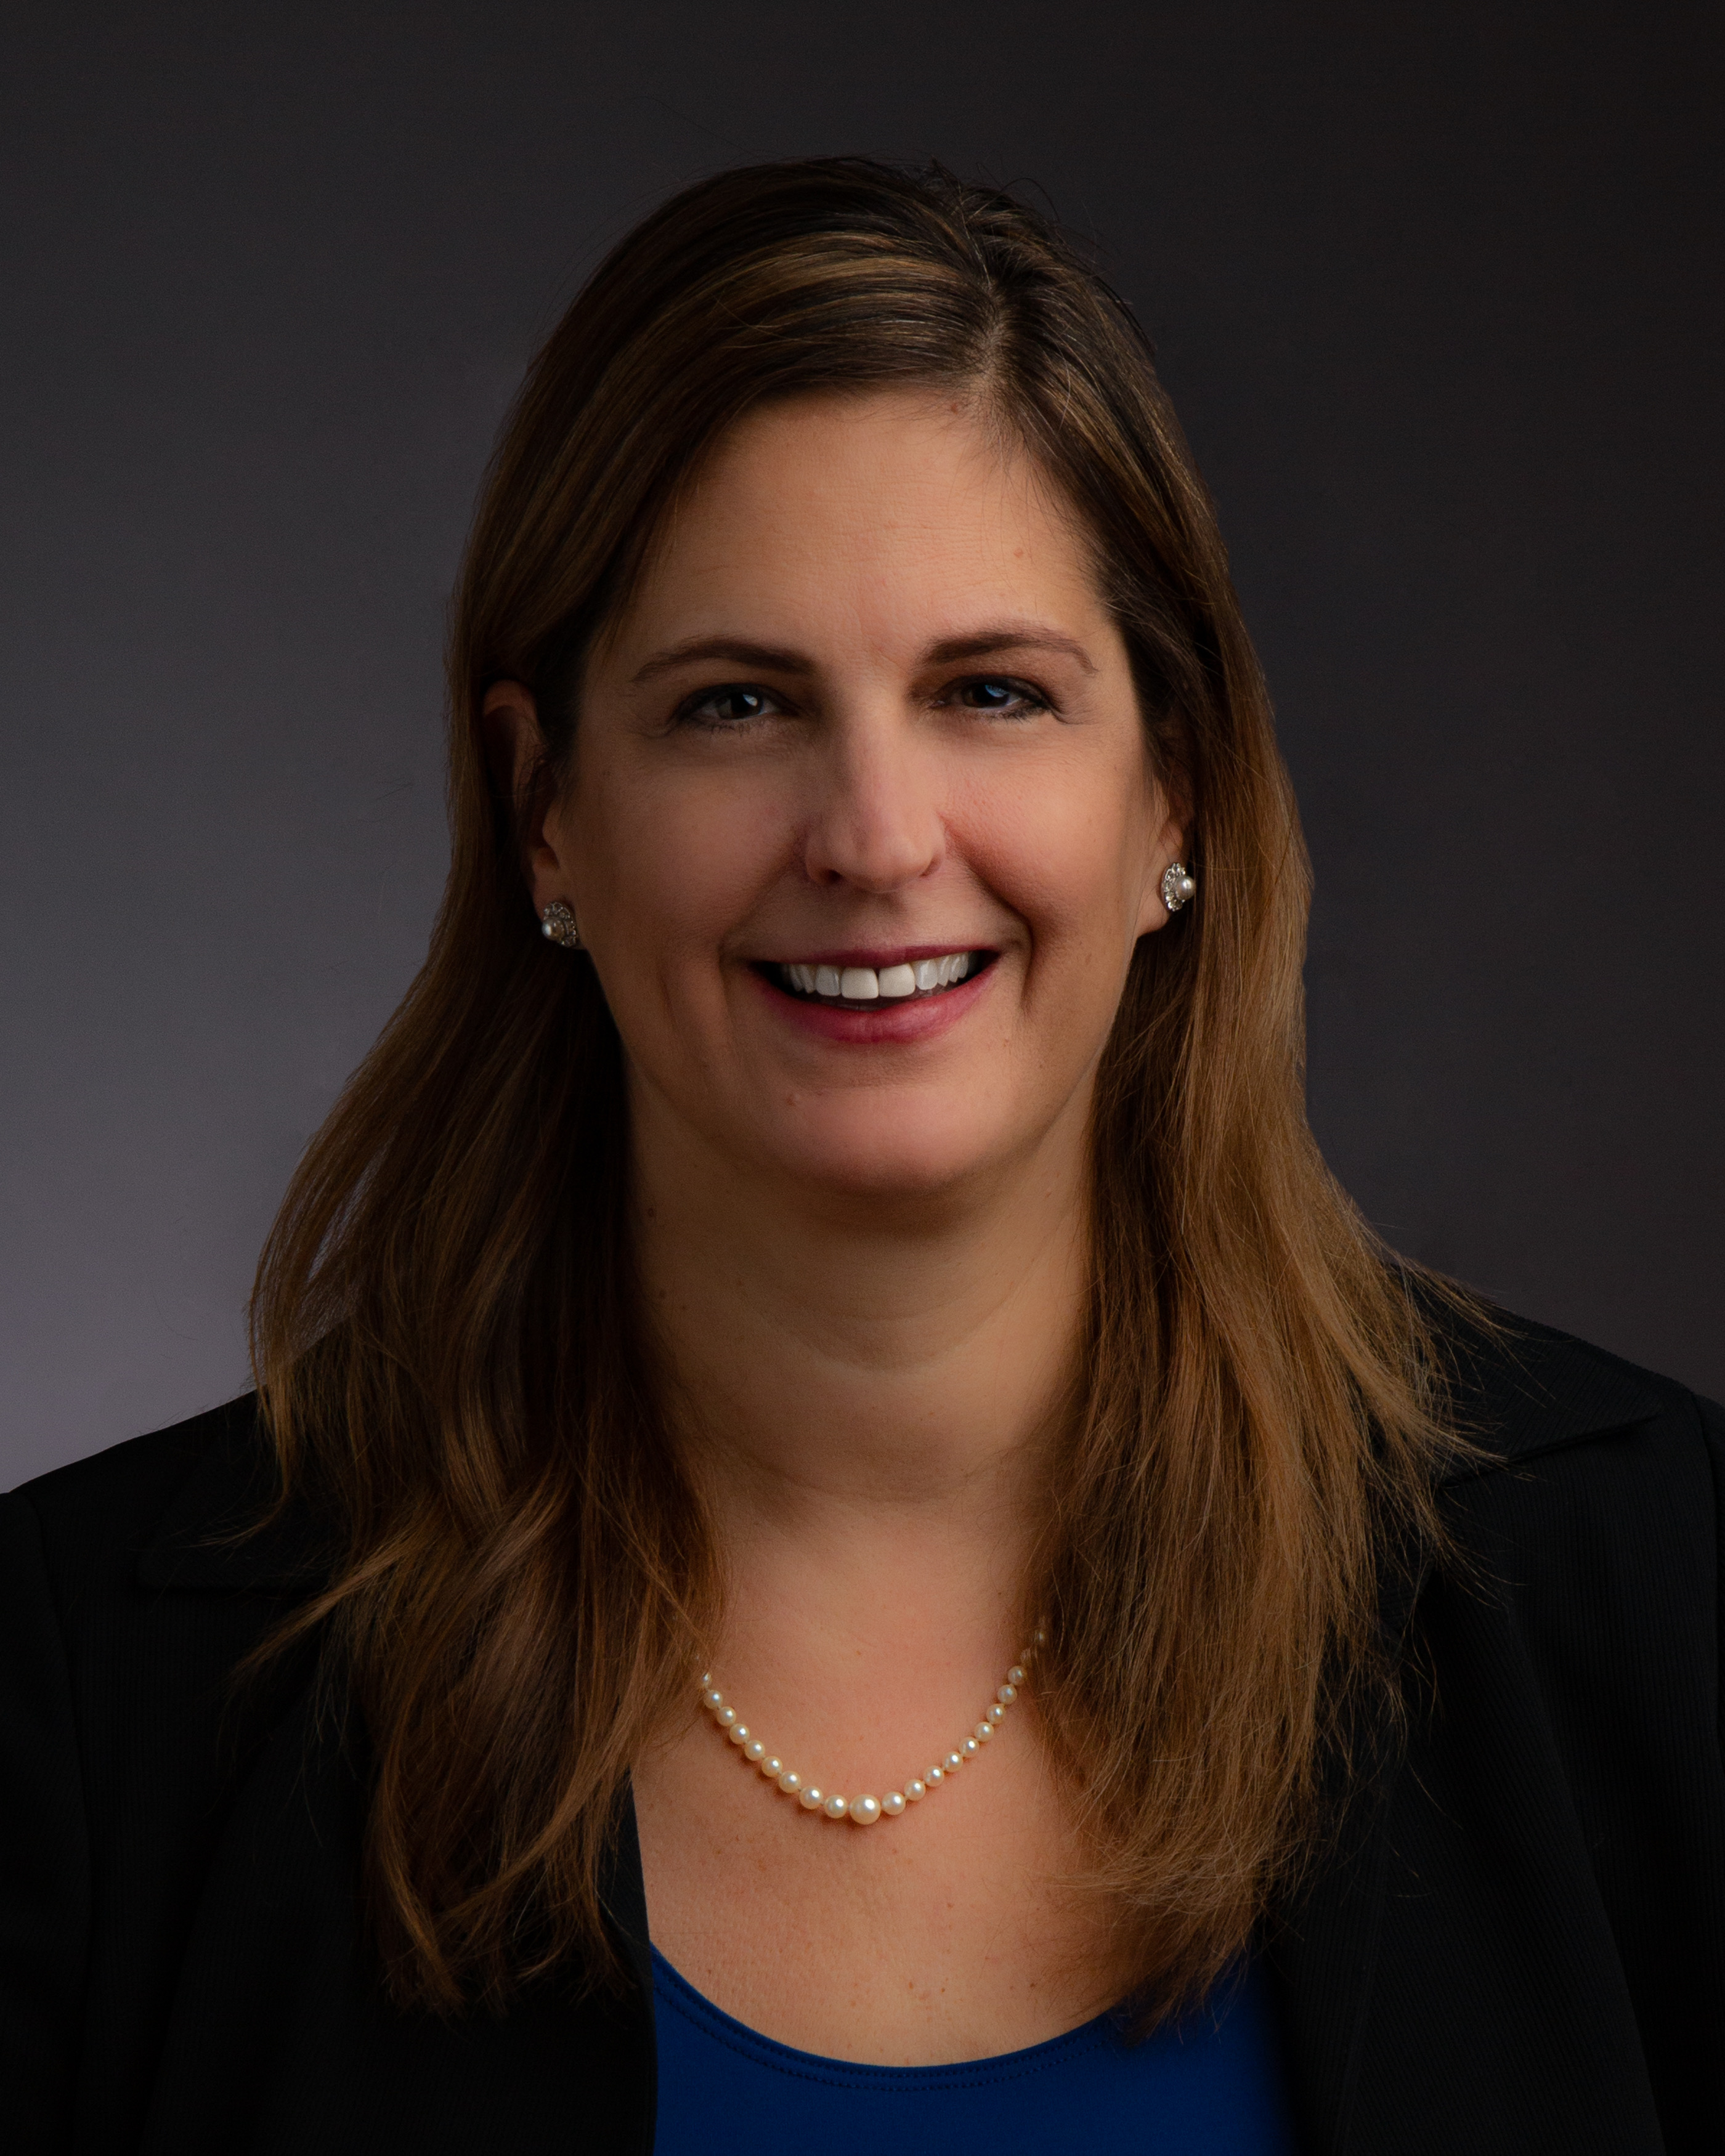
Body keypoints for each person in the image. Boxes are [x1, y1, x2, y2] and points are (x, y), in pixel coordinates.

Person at [2, 157, 1719, 2156]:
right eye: (738, 704)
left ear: (1174, 783)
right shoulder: (94, 1695)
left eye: (992, 693)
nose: (877, 833)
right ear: (546, 808)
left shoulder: (1652, 1588)